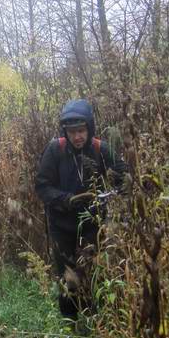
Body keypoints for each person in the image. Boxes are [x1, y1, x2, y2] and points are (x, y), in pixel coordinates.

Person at [35, 99, 129, 319]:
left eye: (81, 130)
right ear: (65, 132)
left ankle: (93, 323)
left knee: (93, 273)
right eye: (72, 132)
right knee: (68, 278)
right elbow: (42, 186)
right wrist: (65, 199)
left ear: (89, 128)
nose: (77, 137)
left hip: (92, 225)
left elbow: (124, 178)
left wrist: (116, 199)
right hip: (61, 225)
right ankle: (70, 327)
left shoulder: (100, 149)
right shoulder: (55, 150)